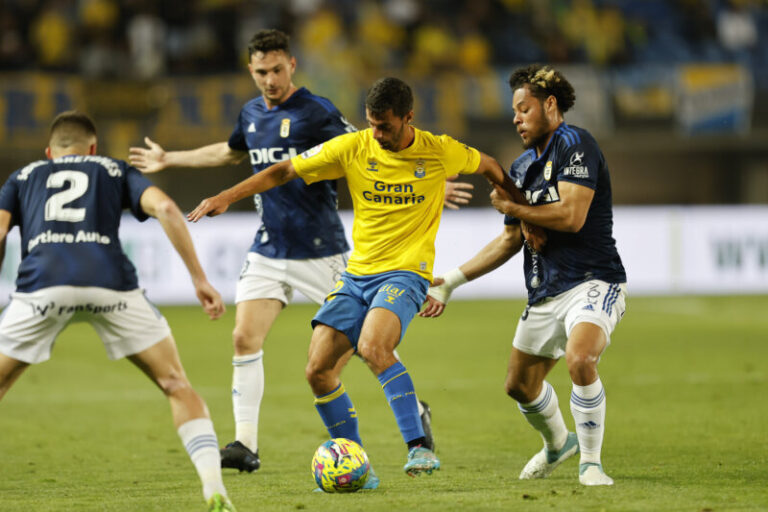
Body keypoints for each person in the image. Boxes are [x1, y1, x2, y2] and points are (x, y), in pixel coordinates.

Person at [129, 29, 468, 474]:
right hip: (269, 247)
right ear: (250, 71)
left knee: (368, 347)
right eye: (259, 72)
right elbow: (231, 152)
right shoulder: (250, 113)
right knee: (243, 337)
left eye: (275, 70)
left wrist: (427, 182)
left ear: (291, 65)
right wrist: (170, 158)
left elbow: (371, 149)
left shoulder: (318, 111)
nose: (268, 80)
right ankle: (245, 445)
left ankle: (414, 412)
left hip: (321, 250)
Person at [187, 77, 512, 482]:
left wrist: (514, 203)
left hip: (406, 272)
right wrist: (225, 197)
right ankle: (359, 465)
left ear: (408, 118)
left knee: (375, 346)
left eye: (385, 126)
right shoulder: (354, 146)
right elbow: (285, 169)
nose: (377, 134)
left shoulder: (439, 150)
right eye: (371, 124)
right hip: (356, 274)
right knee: (318, 371)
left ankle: (420, 448)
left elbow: (491, 166)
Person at [0, 111, 236, 512]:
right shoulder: (113, 169)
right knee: (176, 385)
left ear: (49, 152)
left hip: (42, 287)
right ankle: (215, 489)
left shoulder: (23, 177)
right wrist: (199, 278)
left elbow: (1, 234)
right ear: (93, 148)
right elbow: (166, 209)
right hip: (111, 284)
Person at [421, 64, 627, 486]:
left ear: (550, 105)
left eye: (524, 108)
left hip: (593, 280)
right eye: (514, 110)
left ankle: (591, 463)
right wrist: (452, 282)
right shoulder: (520, 169)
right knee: (518, 385)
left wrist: (514, 208)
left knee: (581, 358)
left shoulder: (576, 144)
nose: (516, 118)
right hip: (544, 291)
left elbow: (571, 216)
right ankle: (558, 444)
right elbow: (509, 241)